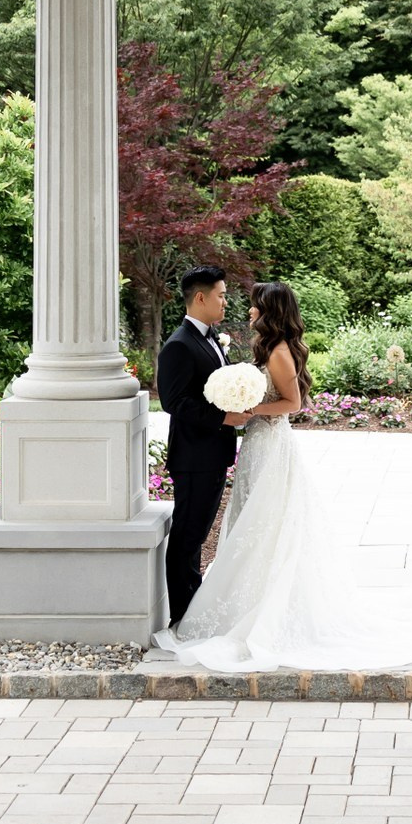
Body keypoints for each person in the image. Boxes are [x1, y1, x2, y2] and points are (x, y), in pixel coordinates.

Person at [156, 280, 412, 672]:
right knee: (253, 523)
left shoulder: (280, 352)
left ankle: (263, 611)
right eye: (233, 299)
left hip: (269, 442)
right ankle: (242, 603)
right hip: (253, 444)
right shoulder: (254, 345)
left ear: (270, 311)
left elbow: (293, 403)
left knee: (268, 524)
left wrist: (251, 408)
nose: (246, 311)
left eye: (253, 306)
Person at [155, 265, 239, 625]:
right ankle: (182, 615)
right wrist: (223, 418)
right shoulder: (178, 345)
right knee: (189, 536)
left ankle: (191, 605)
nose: (225, 301)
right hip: (194, 456)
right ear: (200, 298)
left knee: (199, 533)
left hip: (212, 454)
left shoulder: (211, 337)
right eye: (221, 295)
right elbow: (173, 402)